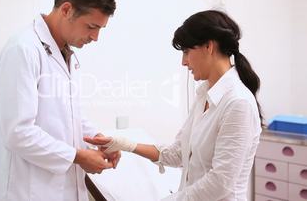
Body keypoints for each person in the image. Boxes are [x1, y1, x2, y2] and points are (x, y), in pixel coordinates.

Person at [85, 10, 263, 201]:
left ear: (208, 47)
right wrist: (126, 144)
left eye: (186, 52)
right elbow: (179, 152)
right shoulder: (204, 95)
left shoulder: (238, 103)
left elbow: (220, 183)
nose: (183, 62)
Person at [0, 0, 119, 201]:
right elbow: (17, 133)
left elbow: (67, 115)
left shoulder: (64, 52)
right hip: (26, 191)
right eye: (91, 26)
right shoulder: (23, 49)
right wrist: (77, 156)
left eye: (100, 29)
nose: (95, 37)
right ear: (67, 9)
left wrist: (97, 138)